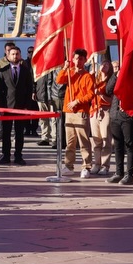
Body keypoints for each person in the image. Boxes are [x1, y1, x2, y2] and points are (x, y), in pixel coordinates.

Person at [57, 49, 98, 177]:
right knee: (70, 142)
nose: (78, 61)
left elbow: (91, 94)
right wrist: (64, 68)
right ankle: (69, 165)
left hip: (81, 112)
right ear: (72, 59)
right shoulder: (69, 73)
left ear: (85, 60)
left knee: (84, 141)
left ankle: (86, 166)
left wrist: (77, 101)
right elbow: (59, 80)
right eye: (76, 58)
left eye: (81, 59)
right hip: (69, 111)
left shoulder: (87, 76)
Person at [0, 42, 35, 165]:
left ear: (20, 55)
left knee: (19, 134)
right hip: (7, 107)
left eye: (17, 54)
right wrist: (0, 107)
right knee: (6, 133)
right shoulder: (3, 70)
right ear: (8, 55)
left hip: (21, 107)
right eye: (13, 54)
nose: (15, 56)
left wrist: (27, 106)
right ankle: (5, 155)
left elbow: (29, 88)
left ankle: (18, 156)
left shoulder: (25, 70)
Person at [89, 54, 115, 176]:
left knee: (106, 140)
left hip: (105, 110)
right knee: (96, 140)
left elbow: (112, 100)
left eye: (107, 64)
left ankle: (105, 165)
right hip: (94, 111)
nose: (104, 66)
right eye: (102, 63)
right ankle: (96, 164)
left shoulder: (111, 81)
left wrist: (100, 94)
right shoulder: (95, 79)